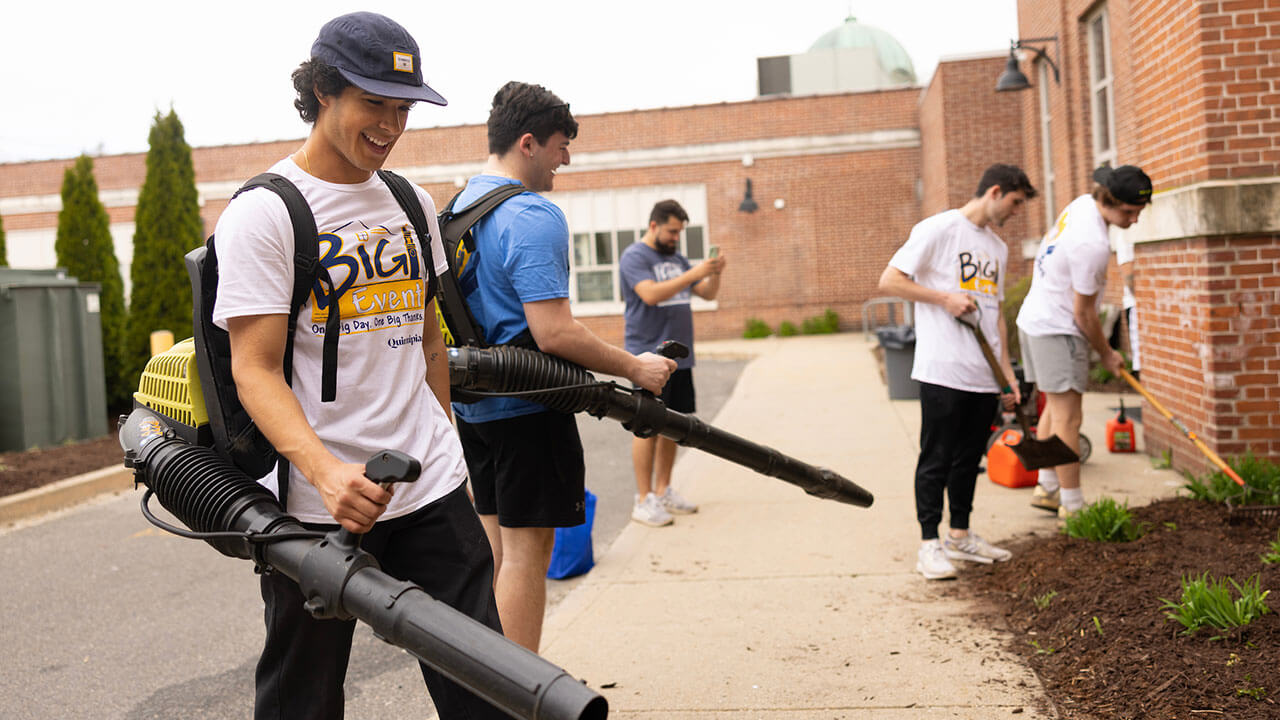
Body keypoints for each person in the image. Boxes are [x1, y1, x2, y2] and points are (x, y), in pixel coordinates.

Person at [211, 13, 506, 719]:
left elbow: (429, 339)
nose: (390, 125)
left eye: (402, 108)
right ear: (322, 90)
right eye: (374, 103)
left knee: (486, 687)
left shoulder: (411, 202)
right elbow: (254, 371)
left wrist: (449, 454)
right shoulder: (264, 213)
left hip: (428, 486)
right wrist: (326, 474)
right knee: (301, 700)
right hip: (320, 508)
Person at [451, 81, 676, 651]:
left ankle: (486, 691)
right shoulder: (531, 214)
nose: (566, 159)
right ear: (528, 143)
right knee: (528, 558)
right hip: (530, 409)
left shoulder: (449, 215)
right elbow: (553, 332)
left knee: (496, 554)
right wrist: (635, 367)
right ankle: (515, 697)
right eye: (560, 146)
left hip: (474, 414)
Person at [878, 163, 1034, 580]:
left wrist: (1007, 375)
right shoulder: (940, 229)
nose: (1017, 212)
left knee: (968, 461)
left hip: (983, 372)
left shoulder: (997, 248)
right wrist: (943, 299)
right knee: (937, 458)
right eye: (1016, 202)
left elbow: (996, 315)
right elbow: (890, 281)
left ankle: (960, 536)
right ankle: (929, 544)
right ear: (995, 191)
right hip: (943, 369)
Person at [1016, 164, 1152, 521]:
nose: (1134, 219)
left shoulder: (1079, 205)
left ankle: (1047, 488)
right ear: (1108, 198)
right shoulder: (1092, 244)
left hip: (1035, 320)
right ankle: (1073, 507)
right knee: (1069, 419)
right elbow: (1085, 315)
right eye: (1128, 211)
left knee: (1053, 409)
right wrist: (1107, 354)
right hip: (1057, 329)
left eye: (1139, 211)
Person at [619, 200, 726, 527]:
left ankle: (664, 490)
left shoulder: (677, 258)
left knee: (672, 426)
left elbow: (706, 294)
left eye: (680, 232)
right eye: (672, 231)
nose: (676, 238)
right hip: (647, 358)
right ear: (654, 226)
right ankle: (644, 499)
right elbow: (650, 294)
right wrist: (695, 272)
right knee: (645, 427)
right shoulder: (634, 257)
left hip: (681, 359)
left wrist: (714, 273)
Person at [1110, 234, 1141, 379]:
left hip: (1143, 306)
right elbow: (1127, 271)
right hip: (1136, 306)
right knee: (1142, 366)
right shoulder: (1124, 234)